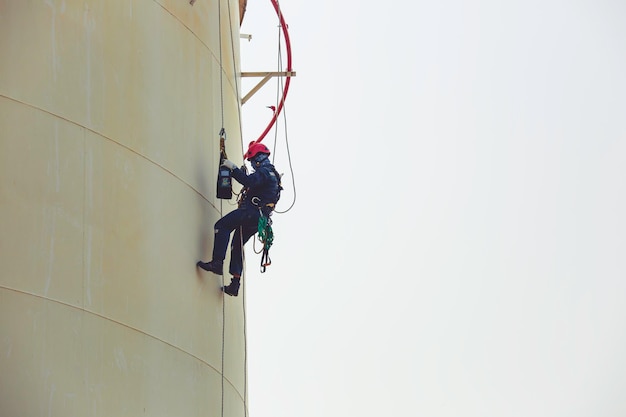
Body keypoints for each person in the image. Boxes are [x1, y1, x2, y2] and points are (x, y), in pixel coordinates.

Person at [197, 141, 281, 296]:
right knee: (237, 243)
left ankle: (217, 262)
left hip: (251, 212)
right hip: (259, 220)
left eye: (252, 162)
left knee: (222, 226)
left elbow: (249, 181)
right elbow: (256, 186)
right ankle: (235, 284)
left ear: (258, 158)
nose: (253, 165)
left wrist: (233, 168)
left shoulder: (264, 172)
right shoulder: (273, 175)